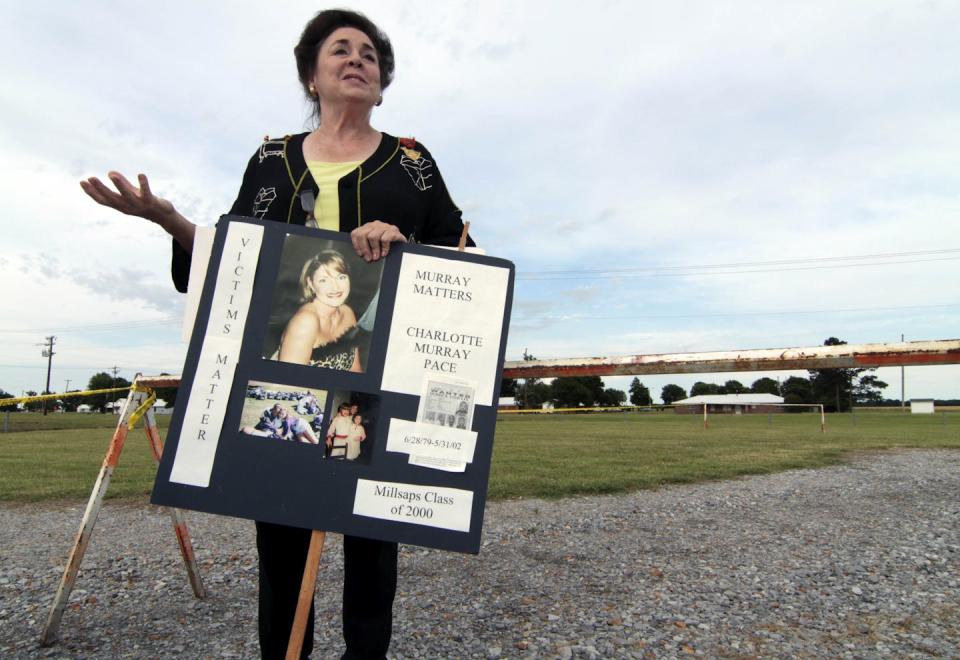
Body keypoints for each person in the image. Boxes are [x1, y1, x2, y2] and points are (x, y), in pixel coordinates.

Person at [79, 9, 472, 659]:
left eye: (369, 54)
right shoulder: (269, 160)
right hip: (281, 378)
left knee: (373, 539)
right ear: (311, 76)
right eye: (339, 50)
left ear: (382, 81)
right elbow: (228, 259)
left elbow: (463, 258)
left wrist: (407, 247)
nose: (357, 59)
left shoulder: (413, 164)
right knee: (283, 542)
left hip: (375, 382)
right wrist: (168, 218)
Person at [277, 250, 362, 372]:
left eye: (341, 277)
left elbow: (355, 368)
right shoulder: (305, 322)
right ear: (311, 284)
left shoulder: (347, 313)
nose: (335, 287)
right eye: (324, 280)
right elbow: (287, 381)